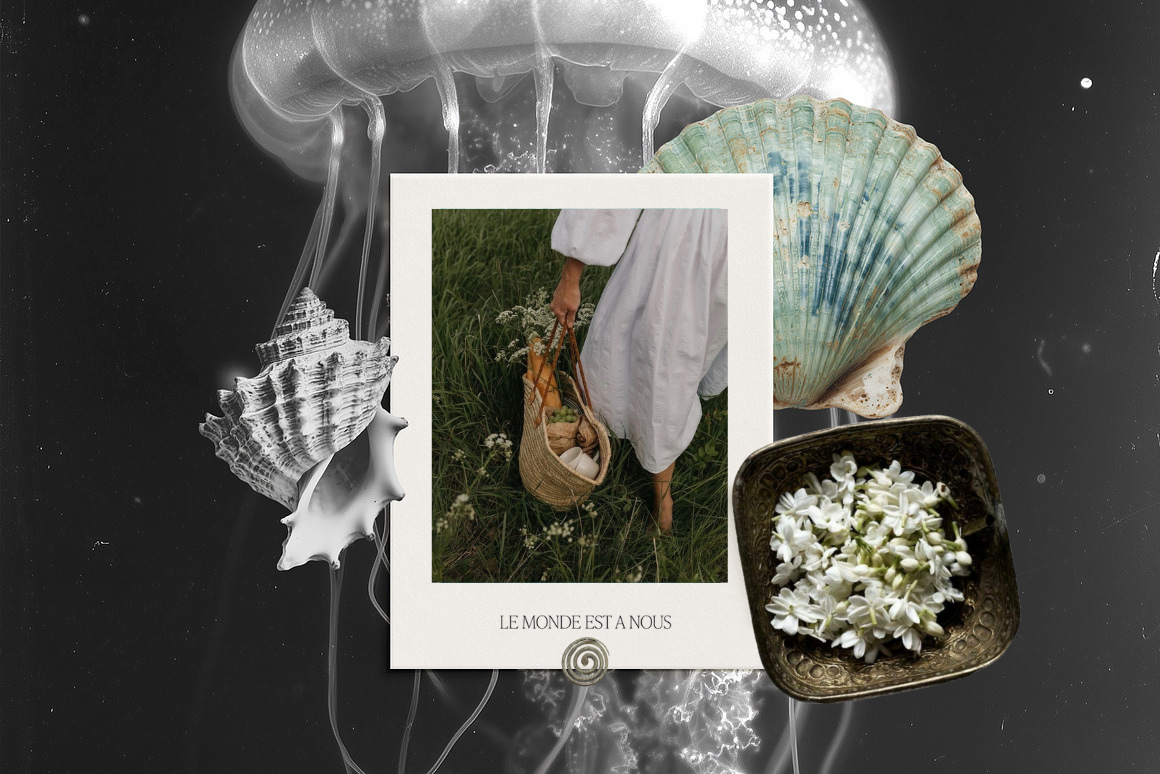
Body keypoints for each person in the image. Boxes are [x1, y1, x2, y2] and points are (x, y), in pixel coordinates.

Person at [550, 209, 727, 532]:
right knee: (648, 361)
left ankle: (654, 482)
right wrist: (571, 275)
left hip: (739, 248)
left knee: (678, 372)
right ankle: (596, 445)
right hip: (677, 237)